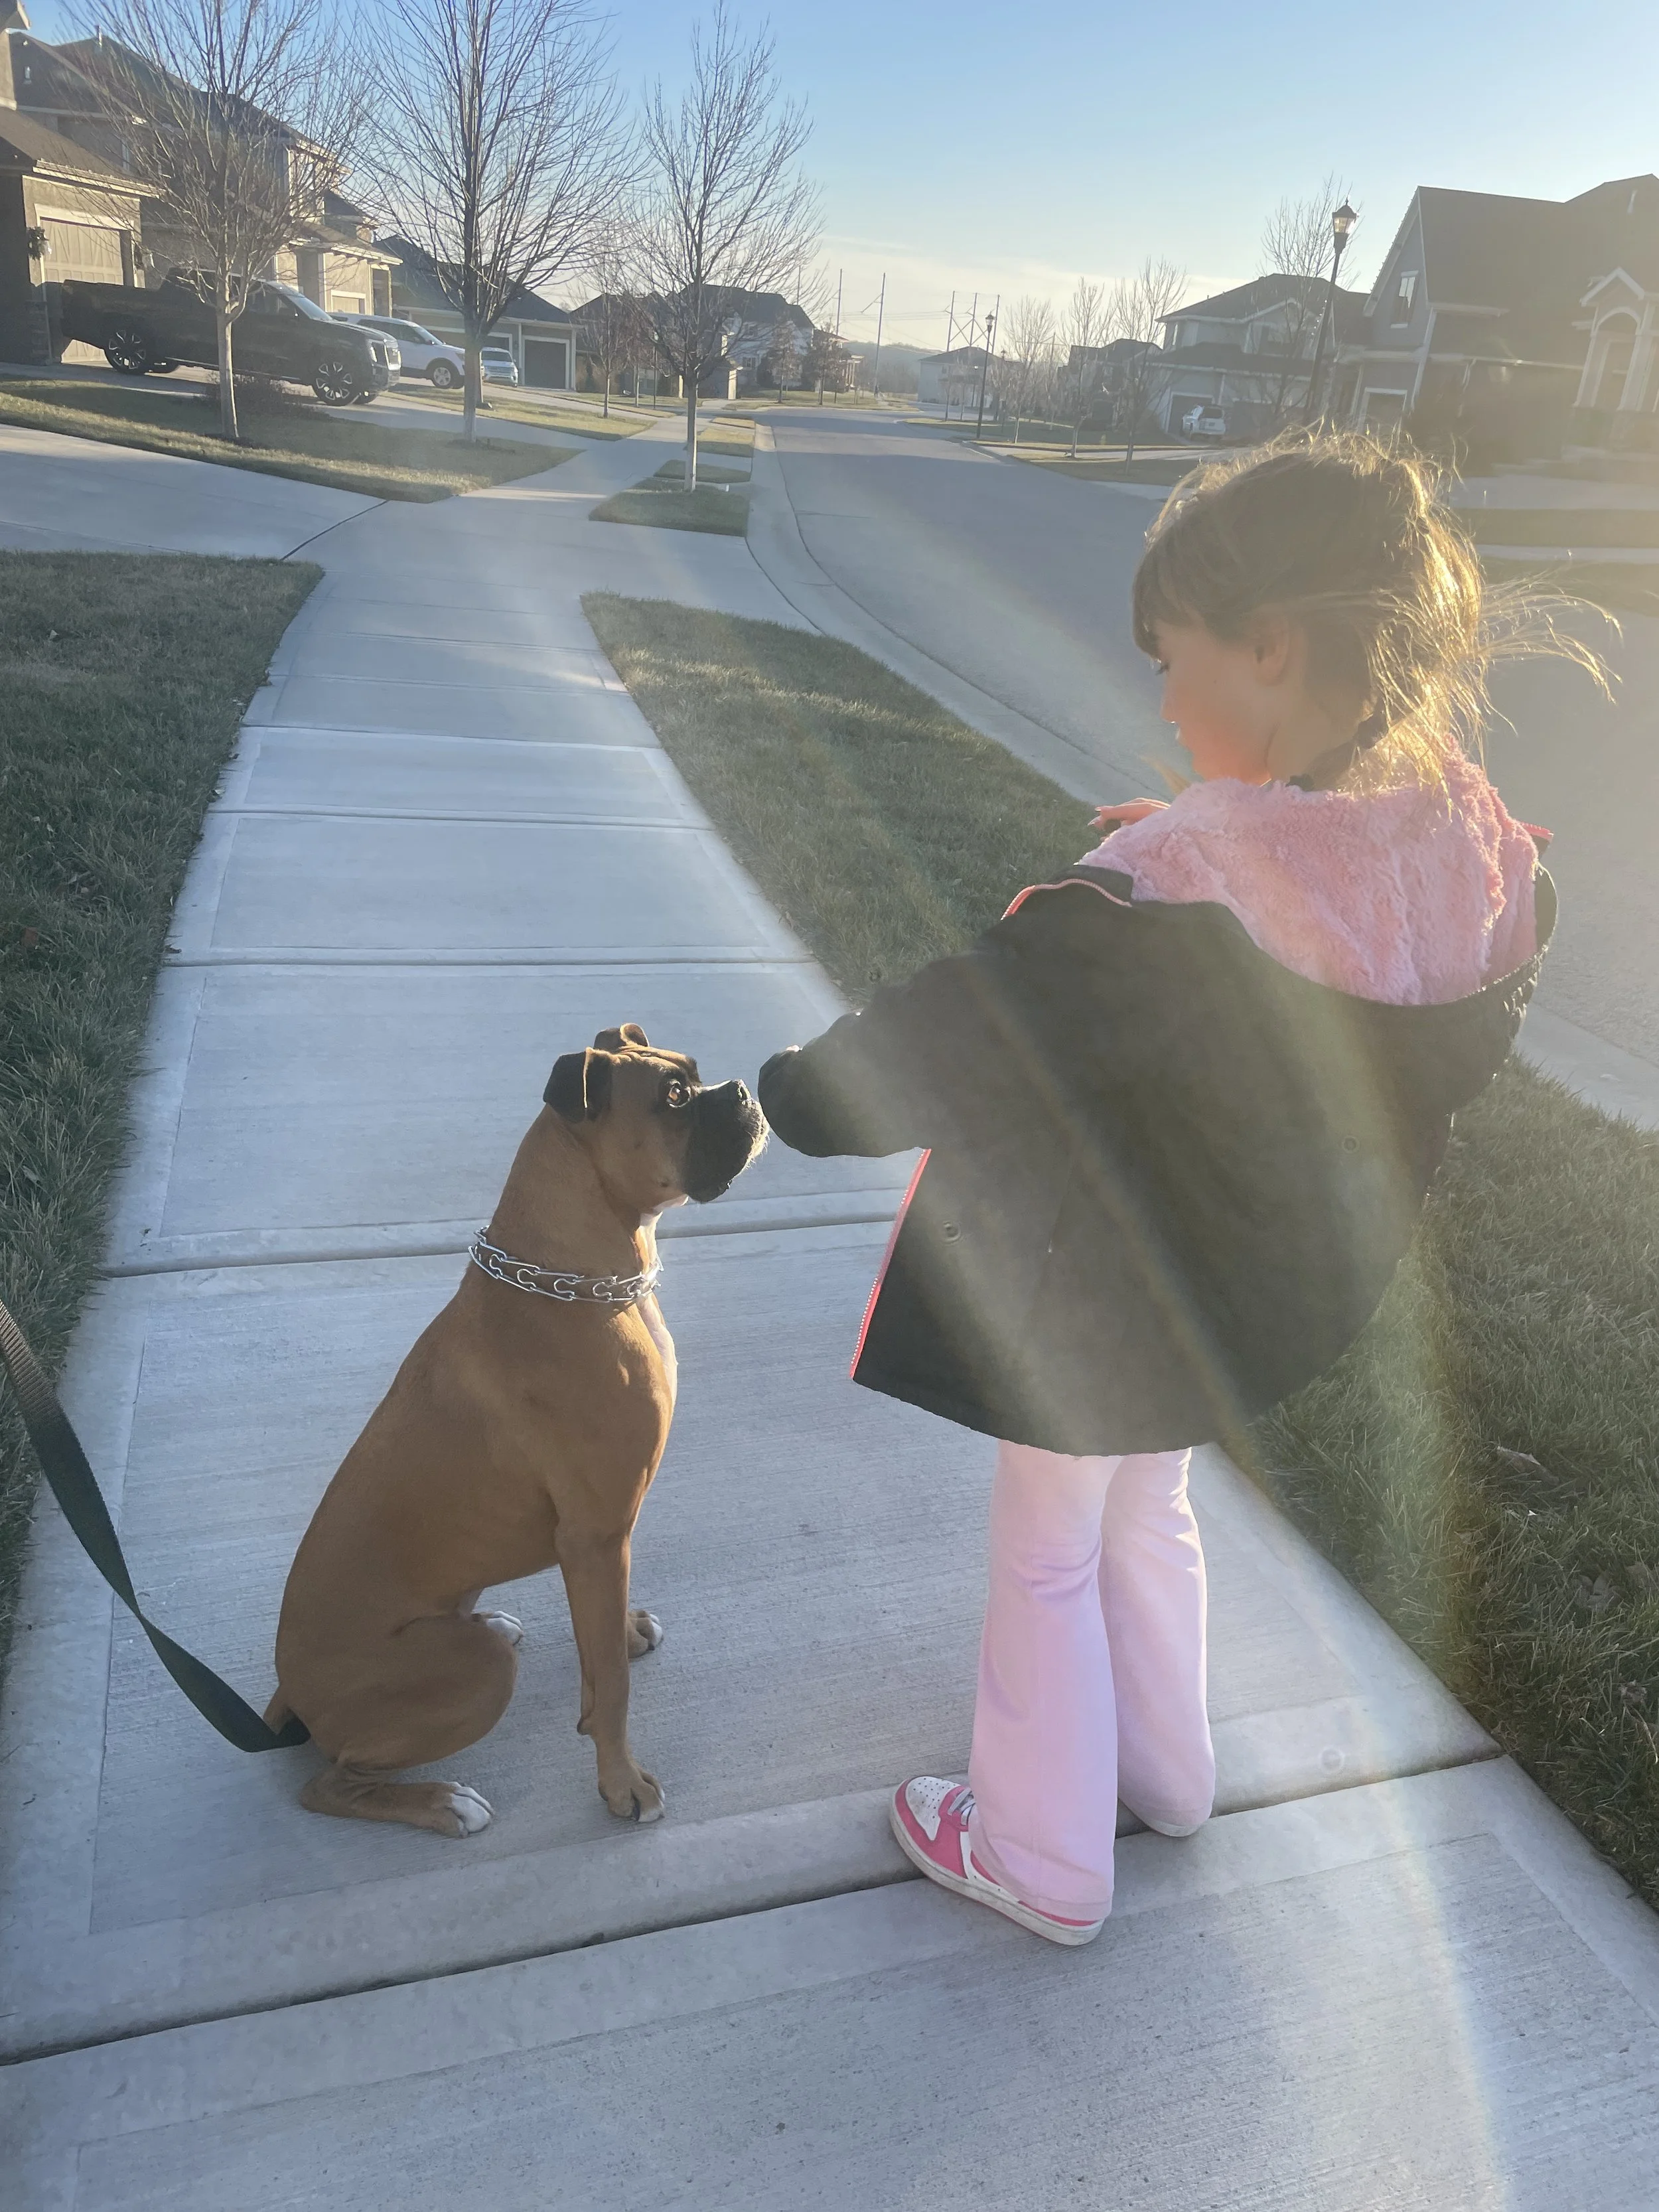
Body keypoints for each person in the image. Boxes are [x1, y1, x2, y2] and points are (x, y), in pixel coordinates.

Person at [757, 432, 1585, 1946]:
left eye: (1171, 658)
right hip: (1264, 1291)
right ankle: (1170, 1773)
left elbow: (962, 1029)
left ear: (1268, 649)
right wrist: (1197, 841)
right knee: (1154, 1497)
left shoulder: (1159, 912)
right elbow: (1326, 900)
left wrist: (792, 1095)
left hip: (1104, 1292)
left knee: (1050, 1537)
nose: (1156, 697)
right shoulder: (1467, 848)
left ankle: (1038, 1851)